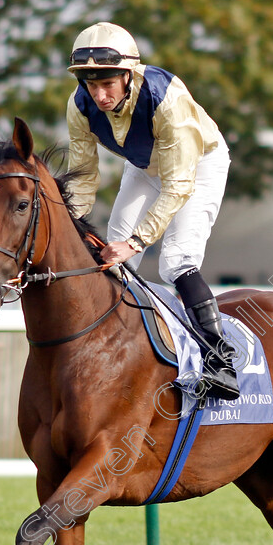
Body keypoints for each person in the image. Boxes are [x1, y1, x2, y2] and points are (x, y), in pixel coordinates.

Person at [65, 21, 239, 400]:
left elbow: (178, 185)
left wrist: (136, 241)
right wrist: (69, 223)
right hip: (145, 166)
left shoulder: (167, 99)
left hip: (198, 165)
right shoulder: (78, 106)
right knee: (112, 261)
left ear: (129, 74)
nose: (99, 95)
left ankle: (220, 360)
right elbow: (82, 179)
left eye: (107, 84)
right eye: (91, 85)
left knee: (175, 261)